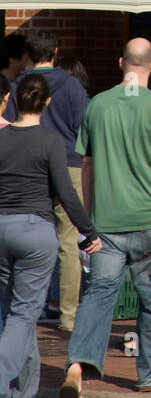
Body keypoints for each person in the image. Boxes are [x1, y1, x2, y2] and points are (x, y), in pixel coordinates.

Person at [59, 39, 151, 398]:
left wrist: (88, 217)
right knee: (150, 297)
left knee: (97, 296)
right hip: (149, 219)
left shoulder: (97, 105)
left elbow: (87, 164)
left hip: (107, 223)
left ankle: (77, 367)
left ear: (120, 63)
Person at [0, 75, 101, 398]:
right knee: (23, 312)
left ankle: (23, 394)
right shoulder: (51, 142)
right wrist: (89, 231)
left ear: (15, 99)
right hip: (35, 230)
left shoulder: (1, 139)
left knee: (13, 312)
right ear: (46, 103)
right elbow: (67, 194)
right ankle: (1, 380)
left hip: (1, 228)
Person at [8, 30, 90, 333]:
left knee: (28, 234)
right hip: (68, 162)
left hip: (28, 164)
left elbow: (10, 123)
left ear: (29, 54)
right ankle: (68, 315)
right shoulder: (71, 85)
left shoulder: (20, 84)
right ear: (56, 50)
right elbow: (84, 126)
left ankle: (30, 307)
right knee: (68, 241)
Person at [0, 34, 31, 101]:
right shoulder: (2, 87)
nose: (30, 59)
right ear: (13, 59)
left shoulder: (18, 83)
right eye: (28, 56)